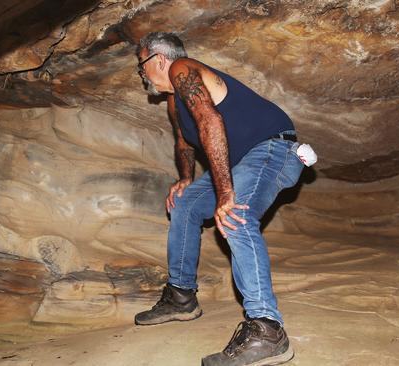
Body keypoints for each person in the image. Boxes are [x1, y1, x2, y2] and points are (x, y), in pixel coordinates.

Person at [133, 32, 303, 366]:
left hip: (274, 149)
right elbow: (185, 143)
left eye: (141, 66)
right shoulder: (173, 99)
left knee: (234, 214)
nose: (140, 74)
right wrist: (185, 179)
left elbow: (211, 120)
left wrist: (226, 194)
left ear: (159, 59)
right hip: (240, 162)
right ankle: (181, 297)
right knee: (184, 204)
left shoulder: (181, 68)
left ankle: (268, 330)